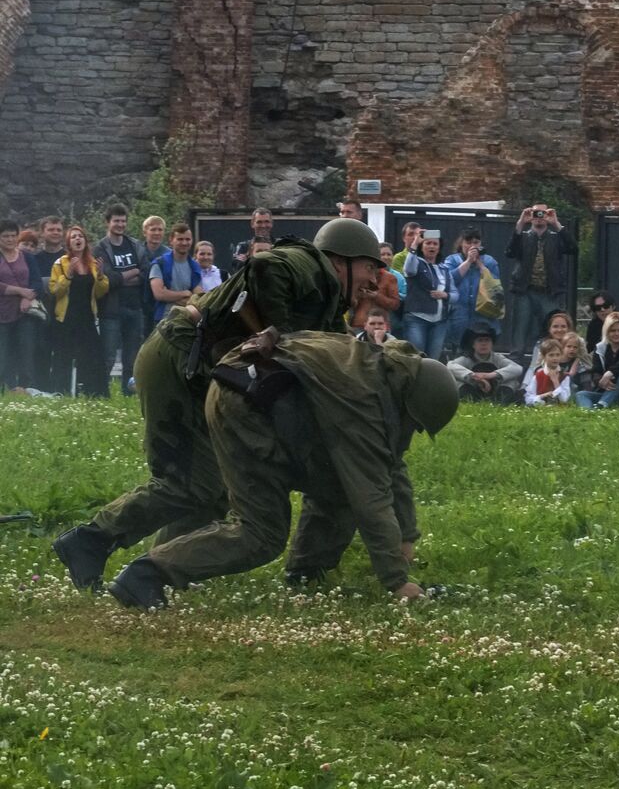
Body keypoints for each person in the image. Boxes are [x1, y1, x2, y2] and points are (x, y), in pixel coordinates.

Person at [51, 219, 385, 593]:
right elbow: (264, 266)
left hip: (192, 365)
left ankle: (154, 572)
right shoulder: (311, 264)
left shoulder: (323, 300)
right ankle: (90, 541)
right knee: (188, 483)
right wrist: (279, 331)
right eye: (371, 267)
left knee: (211, 489)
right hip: (178, 358)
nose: (373, 282)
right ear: (342, 259)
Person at [105, 332, 459, 609]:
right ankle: (147, 574)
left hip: (248, 390)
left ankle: (306, 572)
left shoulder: (380, 370)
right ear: (411, 405)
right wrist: (398, 582)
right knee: (261, 533)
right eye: (414, 424)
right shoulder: (364, 400)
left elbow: (391, 462)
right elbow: (371, 496)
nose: (410, 431)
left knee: (336, 486)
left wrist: (407, 535)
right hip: (244, 405)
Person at [505, 204, 576, 356]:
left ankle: (555, 358)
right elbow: (510, 252)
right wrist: (520, 223)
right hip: (525, 290)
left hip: (549, 291)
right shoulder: (523, 236)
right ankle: (517, 360)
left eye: (542, 213)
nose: (539, 217)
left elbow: (573, 248)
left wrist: (556, 223)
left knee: (554, 328)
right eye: (535, 213)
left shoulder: (555, 238)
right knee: (520, 327)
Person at [48, 225, 110, 397]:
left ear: (85, 241)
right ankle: (61, 393)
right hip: (66, 317)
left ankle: (93, 394)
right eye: (74, 237)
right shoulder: (60, 263)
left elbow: (100, 292)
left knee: (92, 356)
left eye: (80, 236)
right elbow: (55, 291)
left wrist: (100, 276)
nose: (78, 239)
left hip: (87, 317)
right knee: (63, 357)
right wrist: (68, 275)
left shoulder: (92, 263)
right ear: (68, 243)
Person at [94, 204, 149, 396]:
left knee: (132, 357)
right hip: (111, 311)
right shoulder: (100, 248)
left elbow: (145, 272)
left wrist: (121, 277)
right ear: (108, 222)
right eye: (116, 221)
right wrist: (130, 273)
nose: (120, 224)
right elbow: (107, 279)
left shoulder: (135, 245)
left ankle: (129, 392)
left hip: (135, 309)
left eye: (123, 221)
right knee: (108, 355)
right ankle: (101, 392)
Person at [0, 219, 45, 390]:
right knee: (3, 356)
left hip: (25, 313)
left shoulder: (27, 256)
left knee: (26, 354)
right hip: (2, 314)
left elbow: (37, 283)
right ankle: (5, 390)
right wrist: (19, 291)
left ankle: (28, 389)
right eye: (5, 236)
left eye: (13, 236)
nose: (10, 239)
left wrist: (27, 297)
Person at [401, 230, 456, 361]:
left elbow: (456, 295)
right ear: (422, 246)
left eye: (435, 244)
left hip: (440, 321)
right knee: (416, 357)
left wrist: (445, 295)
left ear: (439, 247)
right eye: (428, 243)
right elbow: (408, 269)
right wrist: (414, 244)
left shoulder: (444, 269)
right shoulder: (416, 263)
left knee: (433, 360)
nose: (432, 246)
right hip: (417, 318)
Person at [442, 226, 502, 348]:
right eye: (468, 242)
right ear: (461, 244)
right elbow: (449, 281)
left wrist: (480, 265)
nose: (472, 246)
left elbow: (495, 286)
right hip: (458, 313)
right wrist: (468, 261)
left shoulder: (490, 262)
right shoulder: (452, 260)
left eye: (476, 242)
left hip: (483, 313)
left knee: (480, 346)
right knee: (457, 347)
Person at [448, 322, 524, 404]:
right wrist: (474, 376)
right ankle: (472, 402)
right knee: (457, 380)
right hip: (473, 391)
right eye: (480, 340)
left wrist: (489, 375)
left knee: (511, 380)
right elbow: (450, 366)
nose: (484, 344)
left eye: (487, 340)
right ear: (473, 344)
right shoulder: (466, 358)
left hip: (495, 392)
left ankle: (499, 403)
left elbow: (517, 368)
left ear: (492, 344)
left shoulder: (497, 358)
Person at [32, 216, 67, 392]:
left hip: (64, 312)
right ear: (42, 232)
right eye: (51, 229)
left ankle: (61, 390)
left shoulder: (68, 259)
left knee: (62, 353)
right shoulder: (34, 259)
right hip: (42, 314)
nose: (55, 233)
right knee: (41, 352)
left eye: (58, 230)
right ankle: (41, 390)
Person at [148, 222, 198, 325]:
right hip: (164, 322)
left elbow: (197, 299)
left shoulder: (195, 266)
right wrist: (185, 293)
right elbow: (159, 294)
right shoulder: (159, 264)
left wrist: (170, 295)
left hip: (188, 321)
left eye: (187, 239)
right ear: (171, 240)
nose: (184, 243)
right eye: (180, 239)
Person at [523, 338, 572, 406]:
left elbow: (564, 400)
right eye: (551, 355)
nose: (555, 358)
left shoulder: (564, 376)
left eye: (558, 355)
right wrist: (542, 396)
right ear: (544, 356)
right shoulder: (538, 375)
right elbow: (528, 399)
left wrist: (556, 382)